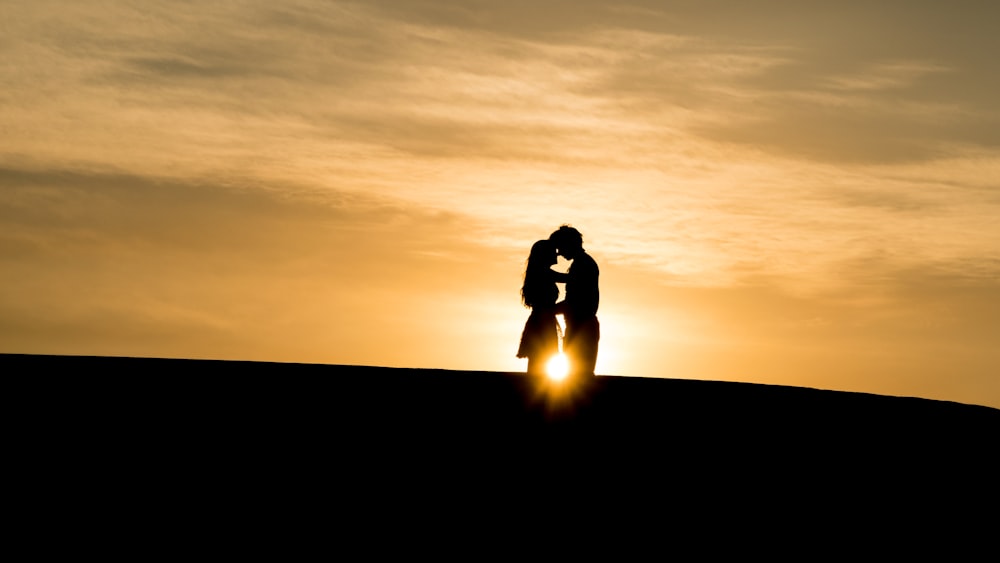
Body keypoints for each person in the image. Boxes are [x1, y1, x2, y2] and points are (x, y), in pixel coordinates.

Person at [549, 225, 600, 379]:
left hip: (581, 328)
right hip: (579, 327)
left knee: (579, 378)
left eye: (560, 247)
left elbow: (576, 301)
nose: (559, 253)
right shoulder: (583, 263)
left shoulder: (582, 265)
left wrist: (547, 310)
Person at [516, 239, 562, 377]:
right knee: (540, 359)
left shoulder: (540, 272)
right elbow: (570, 278)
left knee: (539, 360)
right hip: (542, 322)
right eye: (554, 252)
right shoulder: (544, 273)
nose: (557, 255)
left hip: (541, 321)